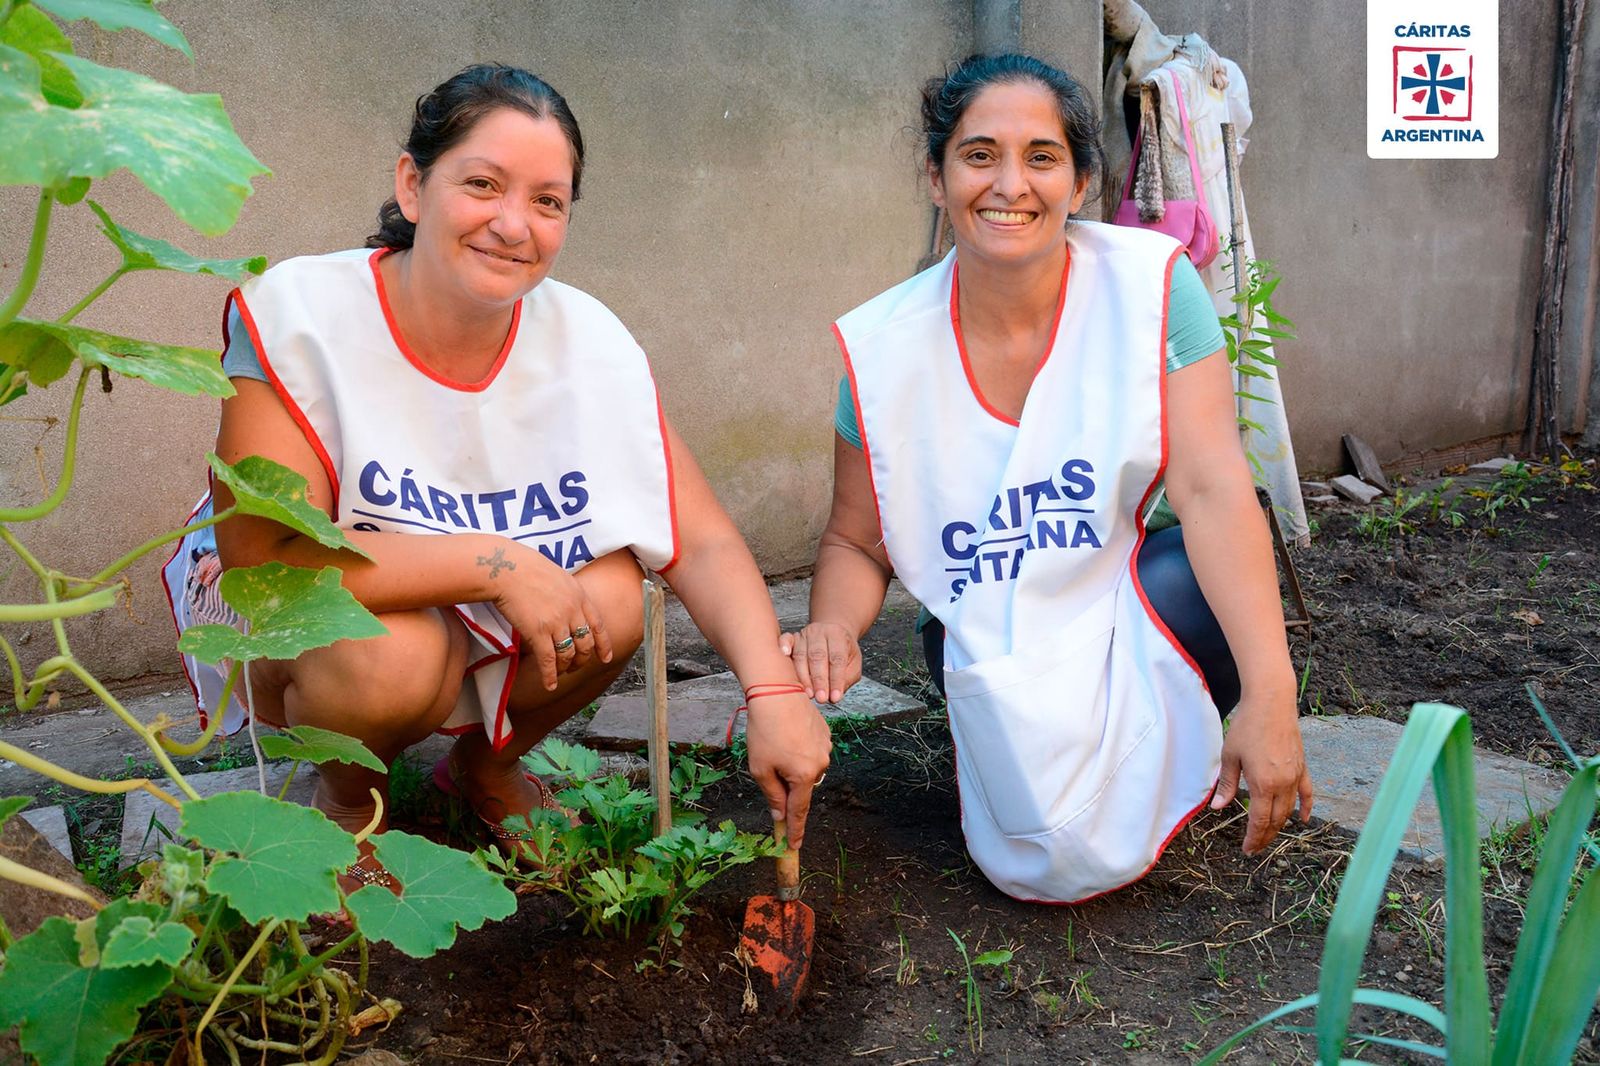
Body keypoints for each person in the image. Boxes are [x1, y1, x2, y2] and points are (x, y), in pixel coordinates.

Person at [166, 64, 830, 892]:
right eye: (482, 183)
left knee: (615, 594)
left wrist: (772, 690)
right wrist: (502, 564)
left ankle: (483, 770)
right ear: (413, 185)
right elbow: (265, 565)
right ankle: (346, 804)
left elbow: (697, 536)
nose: (513, 225)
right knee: (392, 656)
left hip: (459, 596)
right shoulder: (298, 316)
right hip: (304, 614)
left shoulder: (586, 339)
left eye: (548, 201)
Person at [780, 54, 1312, 903]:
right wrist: (834, 627)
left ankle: (1193, 729)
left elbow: (1213, 489)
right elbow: (855, 537)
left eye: (1041, 157)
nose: (1009, 185)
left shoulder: (1150, 289)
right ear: (936, 175)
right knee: (993, 721)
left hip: (1134, 597)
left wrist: (1272, 694)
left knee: (1199, 585)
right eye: (979, 154)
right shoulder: (882, 352)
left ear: (1080, 180)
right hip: (993, 624)